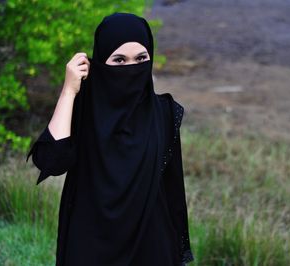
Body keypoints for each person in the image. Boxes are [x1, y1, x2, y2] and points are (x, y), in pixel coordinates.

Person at [26, 12, 194, 266]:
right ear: (101, 63)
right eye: (119, 60)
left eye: (140, 58)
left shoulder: (165, 113)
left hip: (151, 246)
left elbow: (172, 193)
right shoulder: (83, 109)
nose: (131, 68)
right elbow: (51, 161)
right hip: (90, 245)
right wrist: (68, 91)